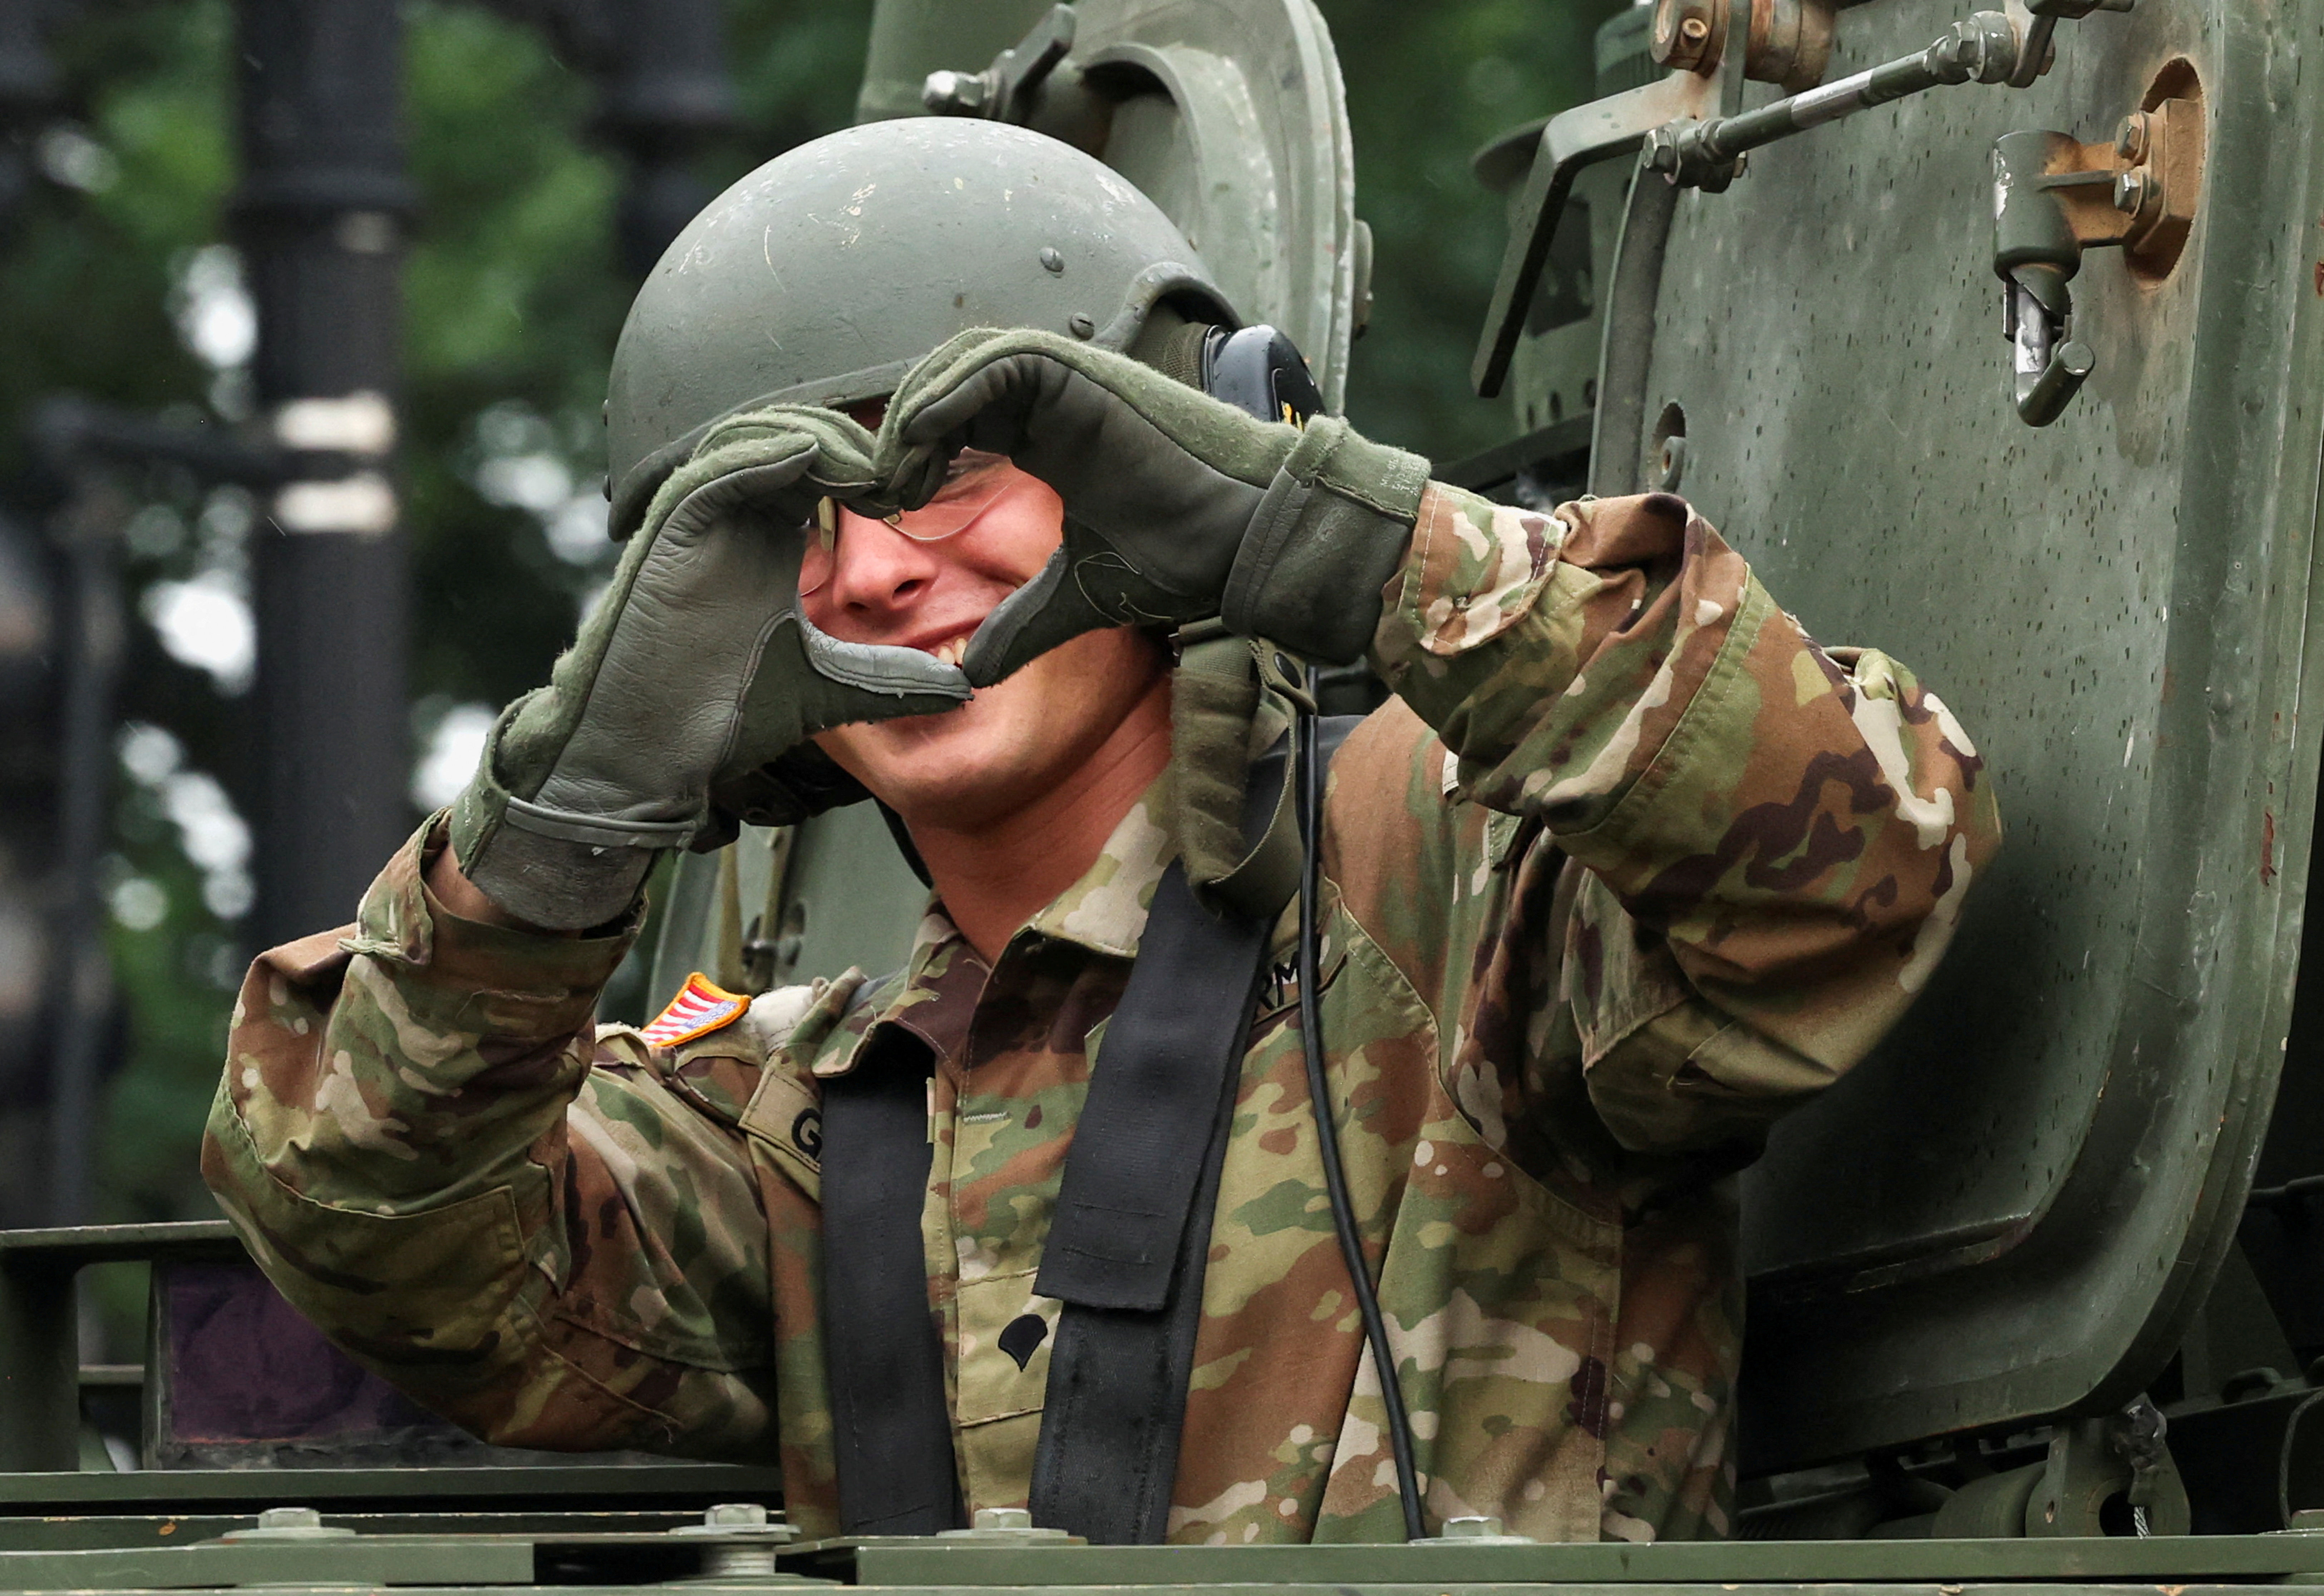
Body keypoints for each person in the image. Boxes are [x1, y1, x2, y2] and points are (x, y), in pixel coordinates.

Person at [202, 117, 1998, 1547]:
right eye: (784, 533)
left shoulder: (1446, 885)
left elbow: (1854, 858)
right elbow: (368, 1225)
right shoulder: (806, 1118)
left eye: (945, 470)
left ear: (1166, 441)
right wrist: (559, 824)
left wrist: (1346, 544)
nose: (877, 568)